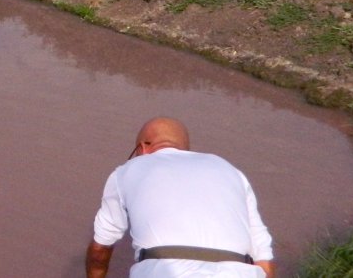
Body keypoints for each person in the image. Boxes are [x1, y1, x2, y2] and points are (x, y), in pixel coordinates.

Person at [85, 117, 275, 278]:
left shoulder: (126, 172)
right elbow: (263, 258)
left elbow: (100, 251)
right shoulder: (230, 170)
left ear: (142, 148)